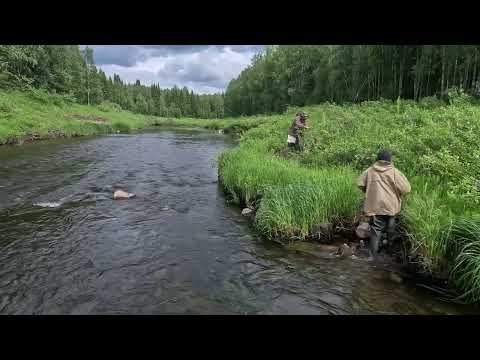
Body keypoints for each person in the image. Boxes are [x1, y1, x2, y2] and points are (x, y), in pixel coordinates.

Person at [357, 150, 411, 260]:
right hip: (391, 206)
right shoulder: (395, 172)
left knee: (376, 231)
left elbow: (360, 184)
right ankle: (389, 251)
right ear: (389, 160)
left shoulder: (369, 171)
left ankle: (373, 257)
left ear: (377, 159)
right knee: (391, 228)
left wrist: (369, 191)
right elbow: (406, 189)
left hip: (375, 206)